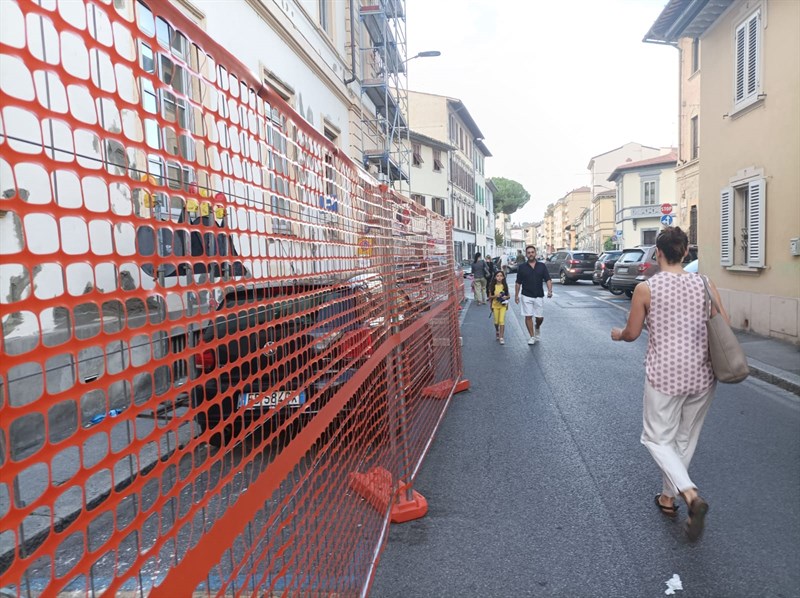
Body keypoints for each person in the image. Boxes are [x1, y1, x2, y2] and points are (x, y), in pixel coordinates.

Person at [610, 226, 726, 542]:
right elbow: (723, 326)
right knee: (684, 440)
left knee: (656, 439)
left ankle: (689, 495)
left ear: (658, 253)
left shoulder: (647, 289)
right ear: (686, 252)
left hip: (665, 375)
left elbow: (633, 332)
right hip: (703, 376)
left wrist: (618, 334)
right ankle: (667, 497)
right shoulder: (705, 284)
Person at [514, 245, 552, 345]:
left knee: (539, 317)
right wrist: (516, 295)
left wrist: (550, 290)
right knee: (528, 316)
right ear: (526, 255)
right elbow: (518, 282)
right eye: (528, 252)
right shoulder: (522, 267)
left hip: (539, 295)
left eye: (532, 252)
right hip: (526, 295)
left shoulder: (542, 266)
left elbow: (548, 279)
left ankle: (537, 326)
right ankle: (531, 336)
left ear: (535, 253)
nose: (530, 254)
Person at [488, 270, 510, 344]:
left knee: (501, 321)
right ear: (495, 277)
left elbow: (509, 296)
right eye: (497, 276)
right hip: (495, 305)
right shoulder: (492, 286)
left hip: (503, 305)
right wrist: (495, 296)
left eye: (501, 276)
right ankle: (497, 330)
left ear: (503, 277)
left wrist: (505, 297)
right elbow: (490, 296)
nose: (499, 277)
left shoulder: (505, 286)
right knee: (496, 321)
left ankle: (501, 337)